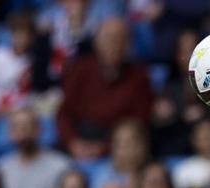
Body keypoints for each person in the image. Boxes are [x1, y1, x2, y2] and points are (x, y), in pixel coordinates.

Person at [54, 18, 151, 161]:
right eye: (108, 38)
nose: (113, 44)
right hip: (78, 139)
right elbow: (64, 113)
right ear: (96, 42)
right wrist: (72, 143)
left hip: (118, 148)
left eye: (119, 38)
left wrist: (105, 147)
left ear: (128, 45)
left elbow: (139, 122)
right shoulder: (79, 70)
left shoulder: (139, 77)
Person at [0, 108, 72, 188]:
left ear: (38, 130)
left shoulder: (60, 166)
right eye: (17, 127)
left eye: (27, 126)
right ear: (9, 133)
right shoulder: (0, 169)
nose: (23, 132)